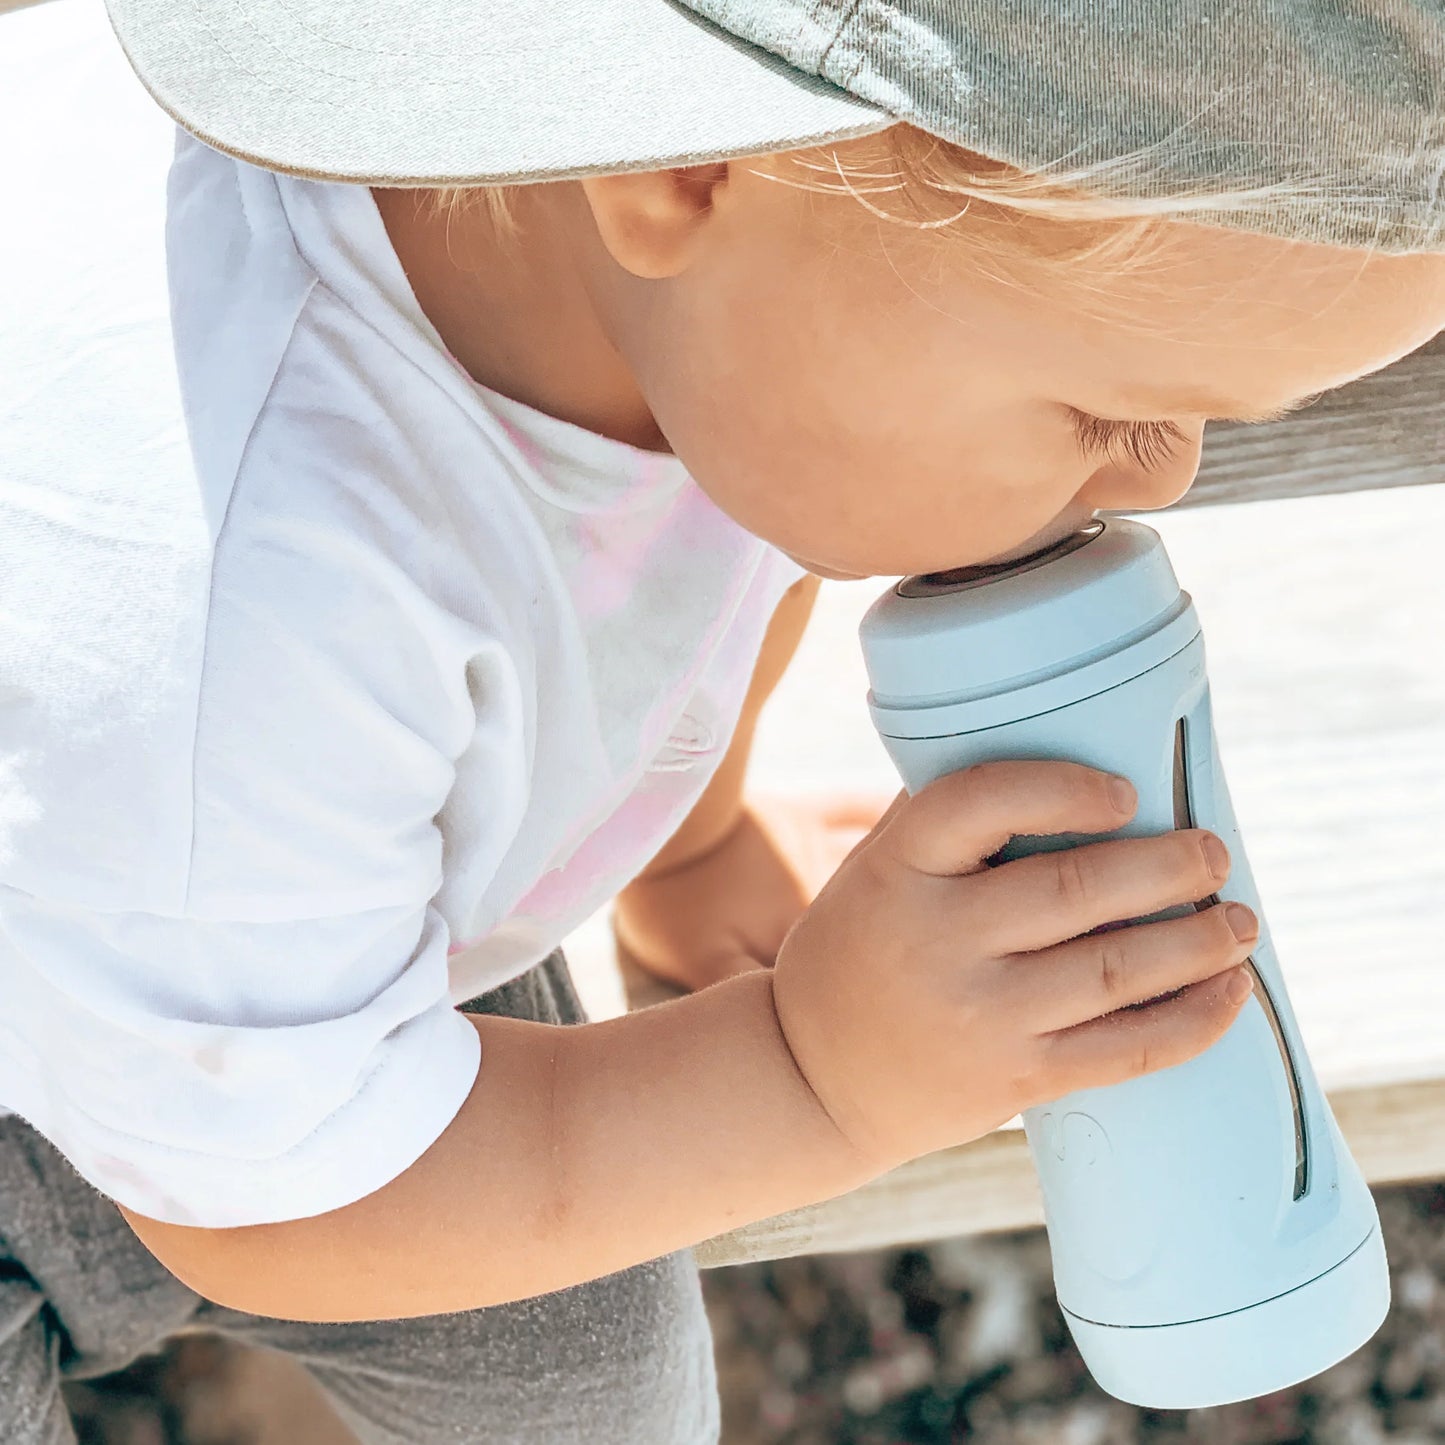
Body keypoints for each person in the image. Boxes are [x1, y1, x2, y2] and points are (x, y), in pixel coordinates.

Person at [2, 0, 1442, 1440]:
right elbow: (274, 1211)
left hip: (234, 949)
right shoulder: (251, 596)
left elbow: (720, 564)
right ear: (685, 164)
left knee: (591, 1381)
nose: (1162, 476)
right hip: (94, 1041)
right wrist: (812, 1071)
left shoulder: (706, 292)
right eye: (1101, 408)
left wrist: (696, 850)